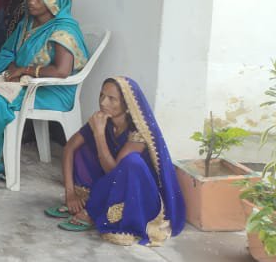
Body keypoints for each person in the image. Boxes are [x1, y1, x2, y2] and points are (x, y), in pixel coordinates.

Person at [0, 0, 89, 182]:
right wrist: (11, 66)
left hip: (51, 90)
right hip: (23, 82)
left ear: (53, 1)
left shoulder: (63, 30)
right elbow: (12, 52)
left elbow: (61, 71)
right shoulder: (27, 23)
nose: (31, 1)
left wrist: (25, 70)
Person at [45, 76, 186, 246]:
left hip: (138, 195)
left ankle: (92, 209)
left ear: (127, 105)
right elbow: (69, 148)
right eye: (102, 95)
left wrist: (99, 134)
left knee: (131, 162)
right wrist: (70, 194)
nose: (103, 102)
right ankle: (86, 200)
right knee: (82, 149)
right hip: (111, 183)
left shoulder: (138, 132)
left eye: (112, 99)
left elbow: (115, 172)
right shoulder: (103, 120)